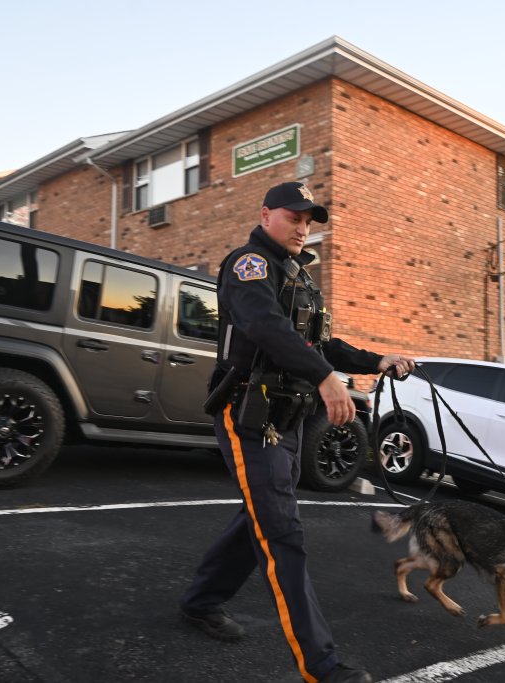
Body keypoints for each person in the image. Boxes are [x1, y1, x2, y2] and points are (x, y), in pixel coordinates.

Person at [180, 181, 415, 683]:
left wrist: (377, 360)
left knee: (262, 518)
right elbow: (267, 328)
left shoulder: (300, 278)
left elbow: (321, 342)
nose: (303, 228)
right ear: (266, 216)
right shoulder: (249, 265)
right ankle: (322, 667)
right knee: (282, 531)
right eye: (294, 217)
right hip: (249, 412)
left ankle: (201, 601)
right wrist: (326, 378)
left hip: (284, 415)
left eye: (309, 221)